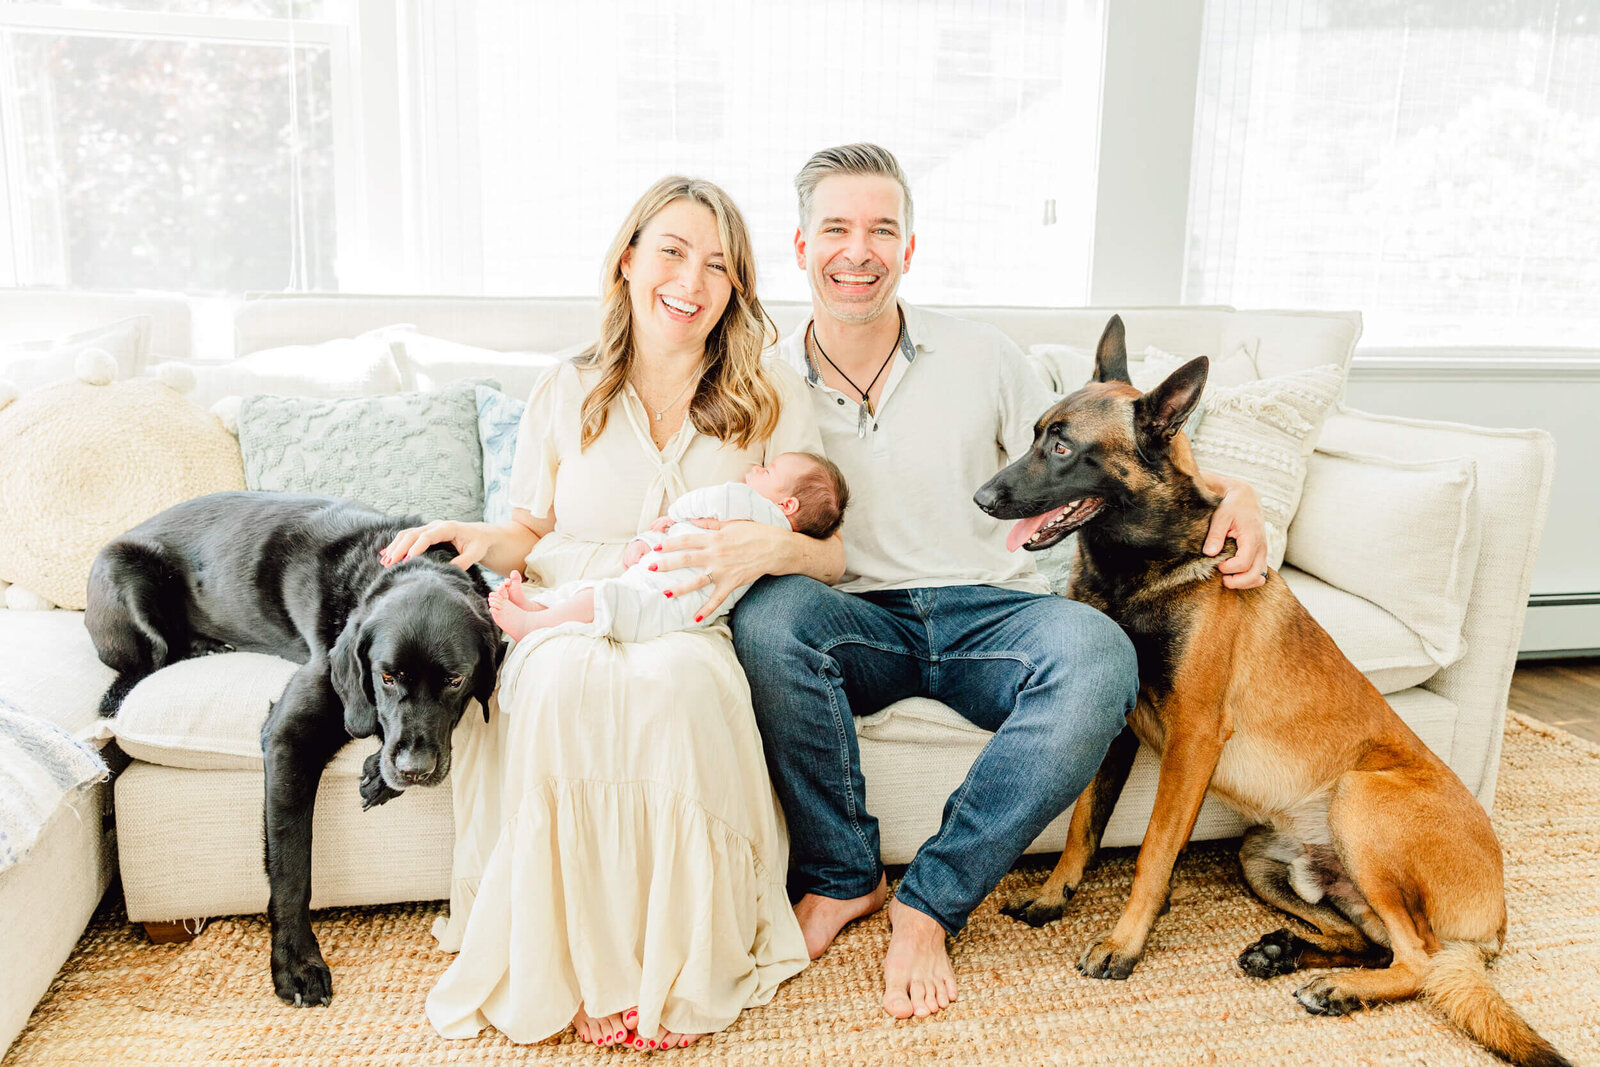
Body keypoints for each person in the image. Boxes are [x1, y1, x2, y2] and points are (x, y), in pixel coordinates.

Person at [652, 144, 1269, 1021]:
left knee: (1100, 654)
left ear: (909, 247)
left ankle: (929, 901)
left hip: (993, 615)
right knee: (770, 616)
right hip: (852, 617)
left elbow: (1106, 443)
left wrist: (1234, 492)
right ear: (799, 247)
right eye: (836, 228)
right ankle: (841, 877)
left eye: (881, 229)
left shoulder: (984, 354)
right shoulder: (761, 378)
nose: (857, 250)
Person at [379, 176, 844, 1050]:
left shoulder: (769, 388)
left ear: (737, 287)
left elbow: (828, 547)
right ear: (629, 259)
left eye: (718, 265)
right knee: (557, 684)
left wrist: (765, 549)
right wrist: (469, 537)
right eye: (671, 251)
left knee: (677, 690)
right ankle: (581, 967)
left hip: (688, 608)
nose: (692, 280)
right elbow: (529, 527)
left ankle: (669, 964)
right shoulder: (570, 382)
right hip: (567, 591)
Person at [487, 452, 848, 643]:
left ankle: (535, 623)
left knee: (598, 599)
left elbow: (707, 500)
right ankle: (537, 606)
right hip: (684, 609)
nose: (755, 469)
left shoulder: (748, 504)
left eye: (767, 471)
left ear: (787, 506)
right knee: (595, 595)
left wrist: (671, 517)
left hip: (665, 594)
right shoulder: (772, 539)